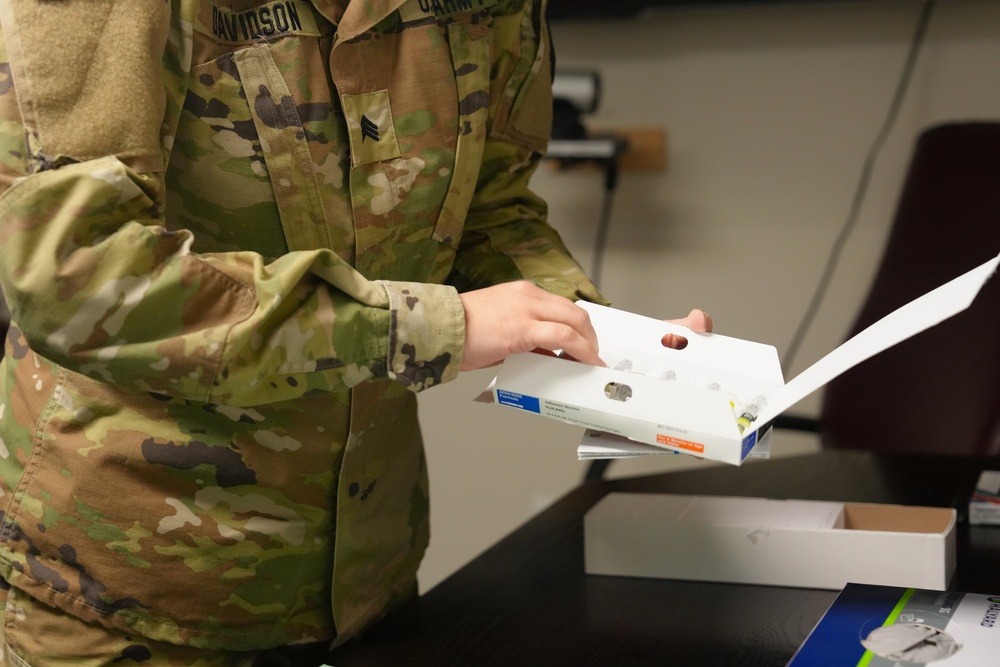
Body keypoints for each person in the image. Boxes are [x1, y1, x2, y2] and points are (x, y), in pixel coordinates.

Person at [0, 1, 711, 664]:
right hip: (130, 600)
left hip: (369, 580)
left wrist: (599, 334)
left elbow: (490, 210)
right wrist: (425, 328)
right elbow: (73, 273)